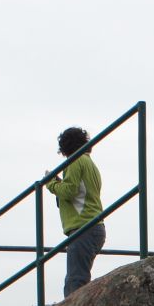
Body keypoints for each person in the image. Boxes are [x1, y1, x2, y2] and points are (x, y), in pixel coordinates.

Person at [46, 127, 106, 297]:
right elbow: (78, 191)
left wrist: (51, 183)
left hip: (83, 227)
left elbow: (69, 191)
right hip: (94, 226)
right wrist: (60, 183)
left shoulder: (75, 161)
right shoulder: (90, 164)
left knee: (75, 282)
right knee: (78, 278)